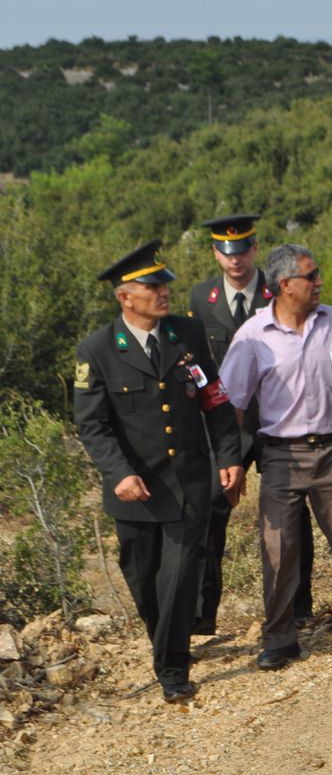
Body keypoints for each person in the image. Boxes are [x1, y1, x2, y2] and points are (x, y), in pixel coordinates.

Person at [75, 241, 243, 702]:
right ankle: (164, 640)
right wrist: (118, 474)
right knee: (144, 581)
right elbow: (92, 425)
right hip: (136, 490)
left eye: (165, 283)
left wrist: (228, 456)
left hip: (187, 483)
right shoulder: (97, 350)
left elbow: (215, 399)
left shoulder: (187, 335)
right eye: (152, 286)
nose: (164, 292)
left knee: (179, 575)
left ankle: (172, 666)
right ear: (125, 297)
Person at [221, 244, 332, 671]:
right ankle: (279, 638)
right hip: (280, 456)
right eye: (311, 277)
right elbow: (231, 403)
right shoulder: (253, 336)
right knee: (278, 548)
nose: (319, 283)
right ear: (285, 285)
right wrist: (230, 458)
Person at [188, 214, 315, 633]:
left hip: (279, 415)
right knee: (212, 509)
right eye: (226, 253)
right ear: (215, 254)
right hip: (227, 422)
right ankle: (204, 615)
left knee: (292, 513)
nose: (235, 260)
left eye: (241, 250)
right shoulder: (201, 297)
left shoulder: (277, 287)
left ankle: (299, 605)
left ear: (254, 249)